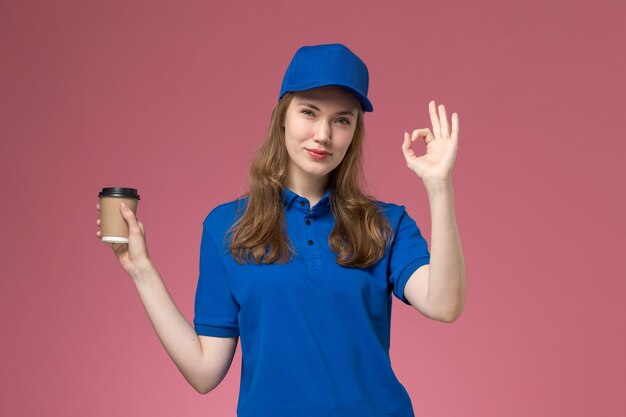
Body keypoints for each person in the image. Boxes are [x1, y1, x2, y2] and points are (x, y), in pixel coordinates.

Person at [95, 43, 466, 417]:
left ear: (354, 132)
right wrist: (140, 270)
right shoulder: (227, 227)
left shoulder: (385, 223)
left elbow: (444, 305)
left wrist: (439, 186)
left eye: (342, 120)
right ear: (282, 116)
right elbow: (205, 372)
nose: (323, 134)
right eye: (309, 112)